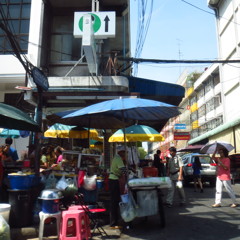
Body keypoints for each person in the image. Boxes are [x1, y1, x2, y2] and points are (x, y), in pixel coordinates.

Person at [108, 145, 128, 229]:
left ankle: (115, 221)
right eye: (124, 152)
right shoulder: (118, 158)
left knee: (114, 201)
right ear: (120, 152)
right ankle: (113, 223)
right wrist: (128, 172)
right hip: (114, 180)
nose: (124, 154)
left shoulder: (116, 158)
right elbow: (123, 170)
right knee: (115, 201)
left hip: (113, 180)